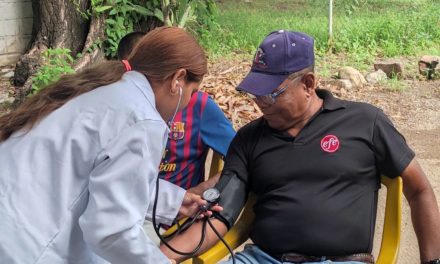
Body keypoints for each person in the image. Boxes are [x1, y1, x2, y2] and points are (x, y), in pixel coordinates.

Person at [160, 30, 440, 264]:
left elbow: (419, 190)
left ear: (308, 84)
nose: (260, 103)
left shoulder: (365, 122)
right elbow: (222, 214)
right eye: (255, 92)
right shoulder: (249, 138)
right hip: (262, 258)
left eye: (271, 94)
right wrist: (160, 257)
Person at [0, 26, 221, 264]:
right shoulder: (142, 120)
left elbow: (97, 178)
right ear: (178, 79)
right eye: (193, 91)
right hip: (26, 249)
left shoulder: (104, 89)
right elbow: (112, 232)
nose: (189, 102)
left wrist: (173, 201)